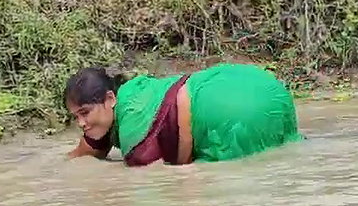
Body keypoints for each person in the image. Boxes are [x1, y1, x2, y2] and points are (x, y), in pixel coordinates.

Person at [64, 62, 302, 166]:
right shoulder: (138, 92)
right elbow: (87, 151)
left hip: (234, 114)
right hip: (258, 83)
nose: (81, 123)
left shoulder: (133, 133)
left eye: (84, 113)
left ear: (110, 99)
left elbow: (155, 173)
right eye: (76, 117)